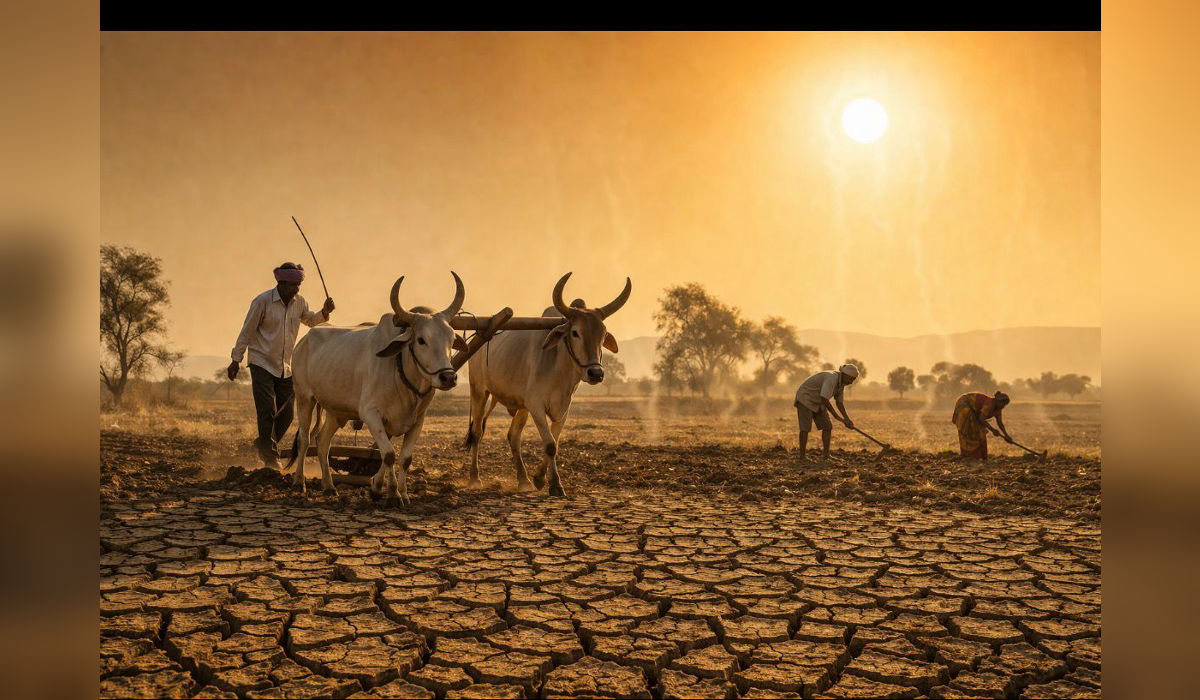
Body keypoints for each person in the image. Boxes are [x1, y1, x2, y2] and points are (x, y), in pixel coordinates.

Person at [229, 262, 334, 466]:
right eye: (293, 285)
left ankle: (264, 443)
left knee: (286, 413)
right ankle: (269, 456)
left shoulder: (300, 302)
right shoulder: (262, 302)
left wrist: (324, 312)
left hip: (285, 366)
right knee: (266, 409)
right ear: (281, 282)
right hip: (261, 361)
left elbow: (311, 321)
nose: (296, 289)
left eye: (299, 285)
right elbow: (247, 331)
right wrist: (236, 359)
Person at [793, 364, 859, 461]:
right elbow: (824, 398)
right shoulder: (832, 378)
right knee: (805, 428)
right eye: (850, 379)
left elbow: (839, 402)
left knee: (827, 427)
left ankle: (826, 456)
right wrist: (836, 416)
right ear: (845, 375)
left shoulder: (841, 385)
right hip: (805, 398)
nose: (851, 382)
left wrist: (847, 419)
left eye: (853, 380)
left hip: (818, 401)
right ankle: (802, 457)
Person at [951, 390, 1012, 459]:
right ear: (998, 401)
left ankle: (980, 456)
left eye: (1005, 405)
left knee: (980, 432)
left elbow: (1000, 423)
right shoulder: (989, 404)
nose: (1003, 407)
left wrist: (1007, 436)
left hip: (973, 411)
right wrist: (993, 430)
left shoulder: (998, 409)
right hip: (964, 405)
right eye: (1003, 404)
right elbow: (981, 419)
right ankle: (969, 456)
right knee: (971, 430)